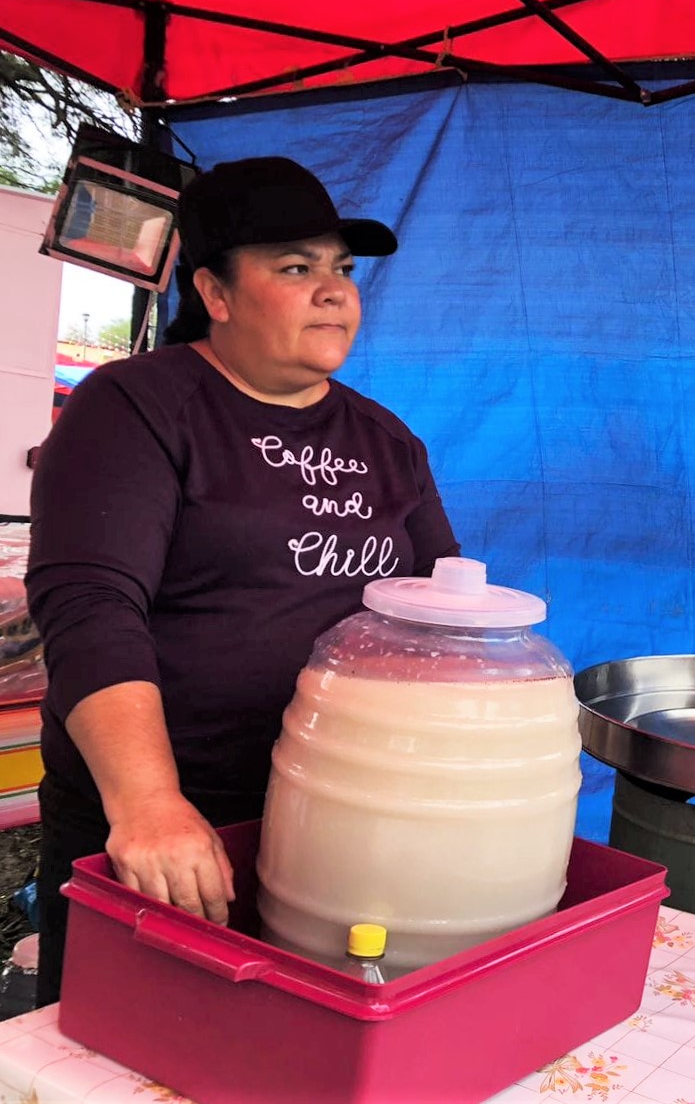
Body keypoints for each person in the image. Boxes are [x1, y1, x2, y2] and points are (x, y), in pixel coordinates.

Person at [26, 156, 461, 1005]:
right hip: (166, 826)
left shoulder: (388, 441)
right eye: (296, 268)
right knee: (131, 1054)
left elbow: (444, 615)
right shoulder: (134, 407)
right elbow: (90, 605)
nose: (334, 292)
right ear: (215, 294)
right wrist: (148, 802)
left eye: (342, 269)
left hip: (335, 819)